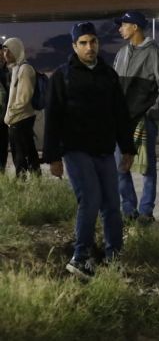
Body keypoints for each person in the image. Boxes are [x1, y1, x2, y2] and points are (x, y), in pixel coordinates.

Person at [44, 22, 135, 278]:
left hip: (104, 150)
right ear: (74, 46)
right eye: (83, 43)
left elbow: (120, 114)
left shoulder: (108, 75)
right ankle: (80, 257)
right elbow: (53, 117)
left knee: (112, 205)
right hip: (75, 150)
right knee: (90, 199)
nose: (89, 47)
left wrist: (127, 149)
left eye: (93, 41)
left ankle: (113, 257)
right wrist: (52, 157)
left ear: (98, 43)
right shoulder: (63, 76)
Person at [113, 11, 159, 222]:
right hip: (120, 122)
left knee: (148, 168)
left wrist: (151, 115)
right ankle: (129, 211)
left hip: (143, 121)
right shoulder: (121, 53)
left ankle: (146, 211)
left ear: (135, 27)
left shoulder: (154, 55)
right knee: (120, 167)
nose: (120, 29)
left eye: (123, 25)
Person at [2, 37, 41, 177]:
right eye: (4, 51)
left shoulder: (25, 69)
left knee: (21, 156)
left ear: (17, 51)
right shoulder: (16, 69)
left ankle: (22, 184)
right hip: (17, 119)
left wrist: (9, 115)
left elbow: (24, 99)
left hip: (20, 119)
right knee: (28, 153)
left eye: (9, 51)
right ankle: (36, 182)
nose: (5, 55)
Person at [0, 57, 9, 173]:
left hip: (5, 117)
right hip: (4, 115)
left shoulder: (7, 71)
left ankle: (1, 172)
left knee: (3, 146)